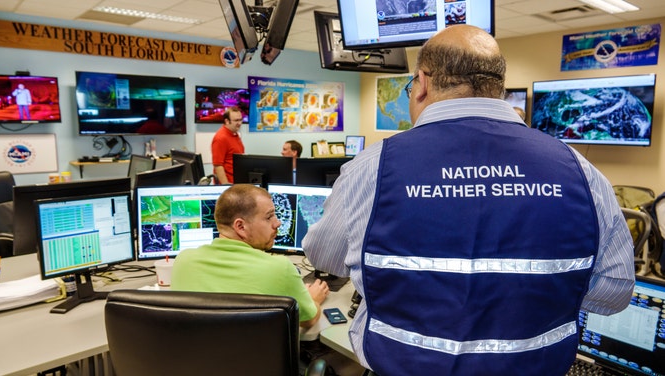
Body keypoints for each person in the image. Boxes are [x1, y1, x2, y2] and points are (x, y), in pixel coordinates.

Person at [302, 25, 634, 376]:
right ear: (499, 87)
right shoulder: (579, 169)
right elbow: (615, 291)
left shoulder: (373, 166)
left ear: (423, 82)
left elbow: (325, 254)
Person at [170, 184, 329, 328]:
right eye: (269, 217)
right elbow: (308, 320)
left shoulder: (183, 261)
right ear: (240, 226)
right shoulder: (279, 268)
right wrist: (314, 298)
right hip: (254, 360)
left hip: (195, 359)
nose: (277, 223)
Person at [211, 106, 245, 184]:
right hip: (228, 185)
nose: (239, 123)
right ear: (227, 121)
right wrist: (226, 186)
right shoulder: (221, 138)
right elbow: (218, 165)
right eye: (236, 120)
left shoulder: (234, 134)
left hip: (236, 183)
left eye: (240, 120)